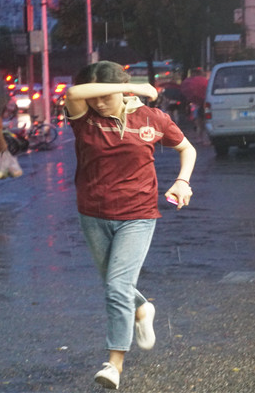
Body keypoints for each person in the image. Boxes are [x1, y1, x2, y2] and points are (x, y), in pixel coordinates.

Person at [64, 61, 196, 390]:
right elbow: (74, 93)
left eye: (105, 96)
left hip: (138, 213)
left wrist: (182, 181)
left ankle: (114, 363)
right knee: (114, 283)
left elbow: (186, 148)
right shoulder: (84, 119)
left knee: (116, 287)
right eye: (96, 96)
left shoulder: (152, 120)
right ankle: (142, 309)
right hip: (93, 213)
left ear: (121, 92)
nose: (98, 102)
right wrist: (134, 88)